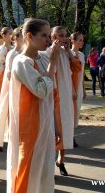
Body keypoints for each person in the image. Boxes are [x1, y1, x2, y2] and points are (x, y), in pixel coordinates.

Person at [7, 18, 60, 193]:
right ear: (29, 36)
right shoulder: (21, 62)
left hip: (45, 125)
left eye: (49, 35)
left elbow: (51, 96)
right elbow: (42, 90)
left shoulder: (43, 58)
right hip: (30, 129)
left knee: (44, 173)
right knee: (27, 172)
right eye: (44, 35)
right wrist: (52, 63)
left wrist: (56, 126)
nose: (48, 39)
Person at [47, 26, 82, 176]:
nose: (64, 38)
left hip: (66, 95)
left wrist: (68, 51)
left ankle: (61, 161)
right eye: (61, 36)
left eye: (65, 35)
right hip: (53, 96)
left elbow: (78, 68)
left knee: (66, 127)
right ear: (53, 37)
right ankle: (49, 161)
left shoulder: (69, 53)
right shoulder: (47, 52)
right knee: (53, 130)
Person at [0, 27, 24, 151]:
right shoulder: (10, 53)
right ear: (16, 38)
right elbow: (3, 70)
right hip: (10, 85)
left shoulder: (22, 52)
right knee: (6, 112)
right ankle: (2, 139)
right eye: (22, 36)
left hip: (22, 87)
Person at [70, 33, 86, 147]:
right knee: (69, 113)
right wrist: (72, 89)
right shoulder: (68, 54)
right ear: (73, 41)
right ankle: (69, 137)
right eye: (80, 40)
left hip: (79, 88)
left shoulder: (81, 55)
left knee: (76, 112)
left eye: (82, 40)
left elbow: (82, 74)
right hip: (70, 88)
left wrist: (83, 90)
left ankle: (72, 136)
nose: (82, 42)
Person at [0, 27, 13, 102]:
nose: (13, 35)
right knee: (3, 97)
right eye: (10, 34)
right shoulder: (1, 49)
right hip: (3, 76)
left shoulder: (13, 48)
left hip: (12, 75)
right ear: (4, 36)